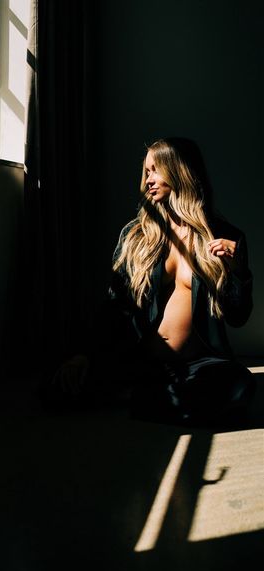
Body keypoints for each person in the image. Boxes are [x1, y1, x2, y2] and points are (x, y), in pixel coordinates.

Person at [53, 137, 255, 424]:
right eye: (146, 171)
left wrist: (237, 271)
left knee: (239, 386)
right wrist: (84, 354)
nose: (148, 179)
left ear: (180, 170)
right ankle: (151, 396)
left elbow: (238, 316)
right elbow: (115, 304)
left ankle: (136, 398)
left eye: (156, 170)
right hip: (139, 360)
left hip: (198, 363)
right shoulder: (136, 236)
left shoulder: (225, 237)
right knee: (60, 385)